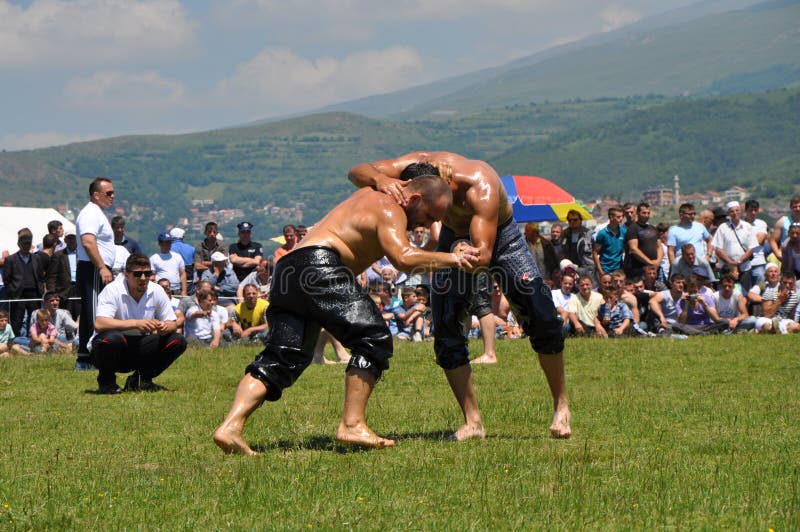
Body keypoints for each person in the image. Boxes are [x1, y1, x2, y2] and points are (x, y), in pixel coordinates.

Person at [213, 174, 480, 455]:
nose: (427, 224)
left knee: (283, 356)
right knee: (374, 337)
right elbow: (404, 259)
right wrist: (455, 259)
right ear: (414, 199)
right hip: (319, 265)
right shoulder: (391, 209)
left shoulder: (370, 192)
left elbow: (361, 172)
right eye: (428, 216)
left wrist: (445, 250)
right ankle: (352, 425)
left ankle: (231, 426)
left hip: (289, 270)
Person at [349, 152, 571, 440]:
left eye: (430, 216)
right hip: (453, 237)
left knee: (541, 314)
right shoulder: (415, 165)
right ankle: (473, 421)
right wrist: (380, 179)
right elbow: (356, 171)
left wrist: (453, 256)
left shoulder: (480, 186)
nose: (422, 223)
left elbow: (483, 255)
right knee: (446, 327)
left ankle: (561, 406)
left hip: (501, 239)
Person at [88, 253, 187, 394]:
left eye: (147, 273)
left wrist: (164, 327)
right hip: (110, 348)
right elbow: (100, 324)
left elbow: (172, 323)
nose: (143, 278)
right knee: (112, 339)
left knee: (178, 341)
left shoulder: (157, 290)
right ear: (126, 274)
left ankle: (142, 379)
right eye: (138, 274)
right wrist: (135, 323)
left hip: (139, 344)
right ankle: (107, 382)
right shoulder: (112, 289)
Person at [75, 177, 117, 371]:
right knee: (95, 314)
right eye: (109, 193)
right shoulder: (90, 213)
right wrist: (101, 267)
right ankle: (94, 358)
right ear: (96, 194)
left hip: (95, 268)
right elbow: (88, 242)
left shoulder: (96, 213)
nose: (113, 196)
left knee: (88, 313)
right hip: (93, 268)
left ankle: (84, 358)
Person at [4, 229, 47, 336]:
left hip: (34, 293)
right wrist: (11, 291)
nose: (26, 246)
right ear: (19, 244)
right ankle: (14, 341)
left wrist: (41, 289)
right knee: (16, 319)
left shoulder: (36, 258)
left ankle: (32, 339)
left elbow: (41, 276)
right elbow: (6, 278)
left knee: (34, 318)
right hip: (18, 294)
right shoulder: (11, 259)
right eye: (24, 244)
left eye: (28, 244)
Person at [712, 201, 758, 291]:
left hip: (744, 268)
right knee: (727, 292)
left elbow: (751, 248)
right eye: (732, 211)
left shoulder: (747, 227)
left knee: (744, 292)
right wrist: (731, 263)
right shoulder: (722, 228)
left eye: (737, 210)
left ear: (740, 211)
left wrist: (740, 261)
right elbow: (718, 249)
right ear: (728, 213)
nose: (735, 213)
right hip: (727, 269)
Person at [667, 203, 715, 281]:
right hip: (682, 264)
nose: (692, 216)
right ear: (681, 214)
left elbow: (710, 240)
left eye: (694, 214)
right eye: (690, 214)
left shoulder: (700, 226)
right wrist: (674, 266)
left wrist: (708, 256)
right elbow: (671, 251)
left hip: (700, 263)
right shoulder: (673, 230)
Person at [624, 202, 662, 279]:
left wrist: (658, 261)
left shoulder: (653, 228)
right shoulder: (633, 228)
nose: (646, 215)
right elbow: (633, 249)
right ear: (638, 213)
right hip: (639, 269)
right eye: (644, 213)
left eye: (648, 213)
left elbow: (659, 247)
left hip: (655, 268)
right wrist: (649, 262)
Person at [560, 210, 594, 283]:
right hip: (569, 268)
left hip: (584, 268)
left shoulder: (588, 234)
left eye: (575, 220)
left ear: (580, 220)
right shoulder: (564, 234)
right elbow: (561, 251)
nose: (572, 222)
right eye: (570, 220)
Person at [150, 232, 187, 296]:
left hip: (176, 289)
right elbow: (152, 276)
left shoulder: (177, 257)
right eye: (165, 243)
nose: (168, 245)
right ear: (160, 243)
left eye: (169, 242)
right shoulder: (154, 258)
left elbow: (183, 273)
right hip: (160, 289)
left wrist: (184, 291)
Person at [769, 195, 800, 262]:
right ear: (791, 208)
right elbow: (773, 240)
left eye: (799, 206)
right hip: (787, 257)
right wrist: (778, 255)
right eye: (795, 207)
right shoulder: (782, 221)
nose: (797, 209)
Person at [169, 227, 196, 294]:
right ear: (182, 237)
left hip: (173, 281)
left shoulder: (168, 249)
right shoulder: (191, 248)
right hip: (188, 279)